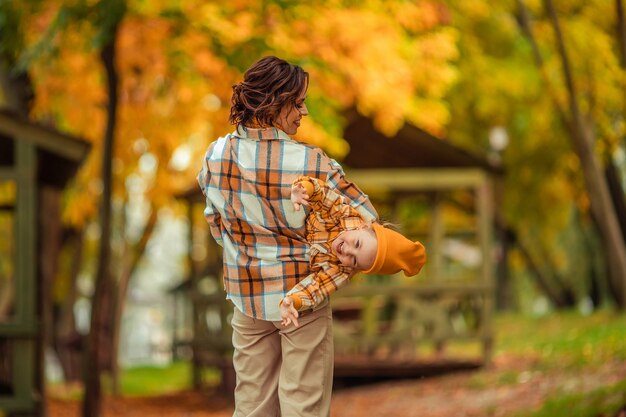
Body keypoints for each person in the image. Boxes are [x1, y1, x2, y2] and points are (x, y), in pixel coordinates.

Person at [197, 56, 377, 417]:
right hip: (305, 296)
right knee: (302, 406)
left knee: (251, 405)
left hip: (246, 294)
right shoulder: (313, 164)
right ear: (272, 103)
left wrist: (248, 253)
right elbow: (366, 221)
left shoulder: (215, 157)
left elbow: (216, 225)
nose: (304, 111)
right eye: (297, 103)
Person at [280, 176, 427, 328]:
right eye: (357, 244)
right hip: (296, 214)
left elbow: (317, 289)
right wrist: (303, 190)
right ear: (363, 227)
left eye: (355, 260)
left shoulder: (341, 271)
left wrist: (293, 301)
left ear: (357, 269)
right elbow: (323, 196)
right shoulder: (344, 216)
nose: (348, 251)